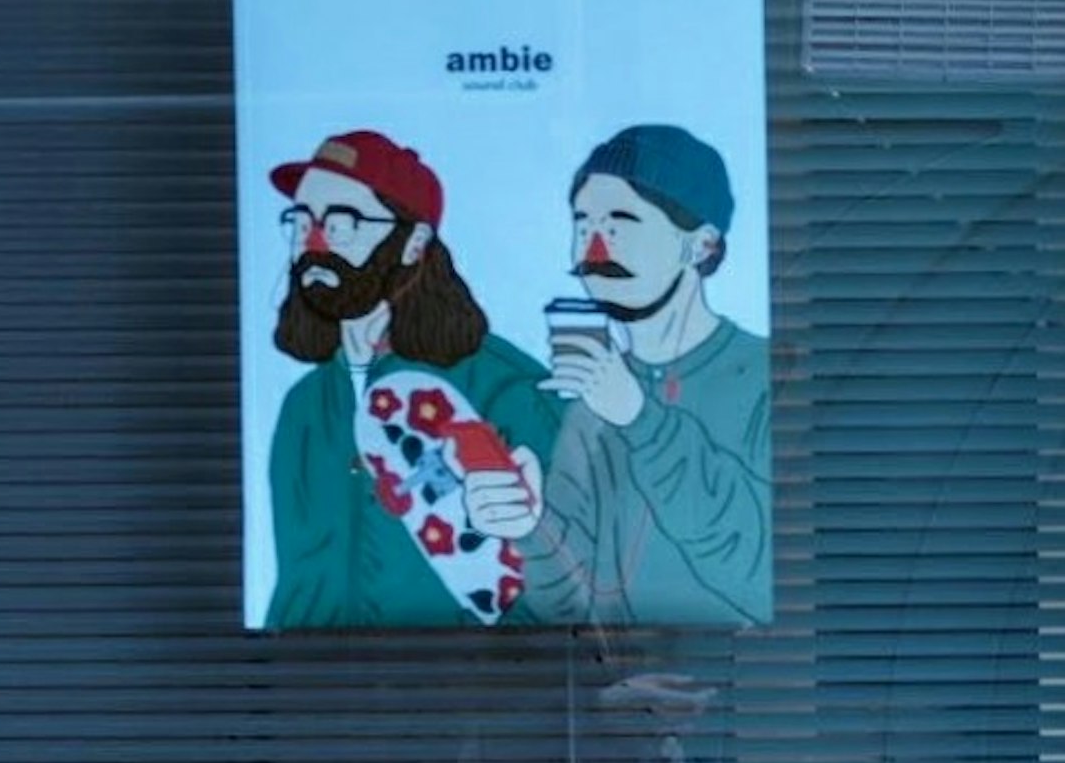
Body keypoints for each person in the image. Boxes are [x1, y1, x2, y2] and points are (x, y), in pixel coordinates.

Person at [260, 127, 555, 629]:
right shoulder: (304, 408)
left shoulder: (506, 389)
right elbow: (295, 590)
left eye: (342, 222)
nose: (312, 242)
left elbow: (585, 580)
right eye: (302, 220)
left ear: (414, 242)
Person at [490, 123, 775, 628]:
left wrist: (642, 421)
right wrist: (530, 526)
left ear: (702, 245)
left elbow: (757, 569)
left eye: (622, 221)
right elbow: (572, 609)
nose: (594, 247)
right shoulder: (592, 405)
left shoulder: (765, 377)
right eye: (582, 223)